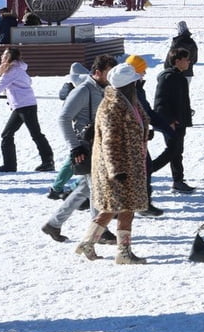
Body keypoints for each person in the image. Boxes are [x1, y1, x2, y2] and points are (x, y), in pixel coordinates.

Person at [75, 62, 150, 264]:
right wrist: (116, 170)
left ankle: (88, 242)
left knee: (114, 207)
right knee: (125, 207)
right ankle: (123, 253)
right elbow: (110, 141)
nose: (138, 84)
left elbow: (135, 126)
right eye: (135, 81)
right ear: (128, 85)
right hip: (120, 167)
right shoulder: (113, 105)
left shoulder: (127, 102)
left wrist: (142, 135)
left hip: (131, 164)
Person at [42, 54, 116, 243]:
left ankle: (54, 224)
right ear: (97, 72)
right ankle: (98, 230)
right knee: (97, 189)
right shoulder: (84, 90)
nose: (112, 76)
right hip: (86, 146)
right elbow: (63, 118)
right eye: (109, 72)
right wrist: (75, 147)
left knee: (85, 188)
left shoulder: (105, 88)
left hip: (100, 145)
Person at [0, 46, 55, 172]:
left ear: (8, 57)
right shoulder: (18, 69)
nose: (1, 57)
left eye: (3, 55)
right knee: (8, 134)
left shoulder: (12, 71)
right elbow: (27, 82)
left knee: (34, 134)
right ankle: (11, 165)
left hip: (24, 106)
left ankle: (47, 162)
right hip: (22, 106)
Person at [151, 48, 195, 193]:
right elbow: (160, 103)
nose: (189, 62)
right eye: (186, 59)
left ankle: (178, 180)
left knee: (177, 150)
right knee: (173, 150)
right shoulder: (168, 77)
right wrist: (169, 121)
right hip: (171, 123)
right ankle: (151, 170)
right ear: (177, 61)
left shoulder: (179, 76)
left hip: (179, 121)